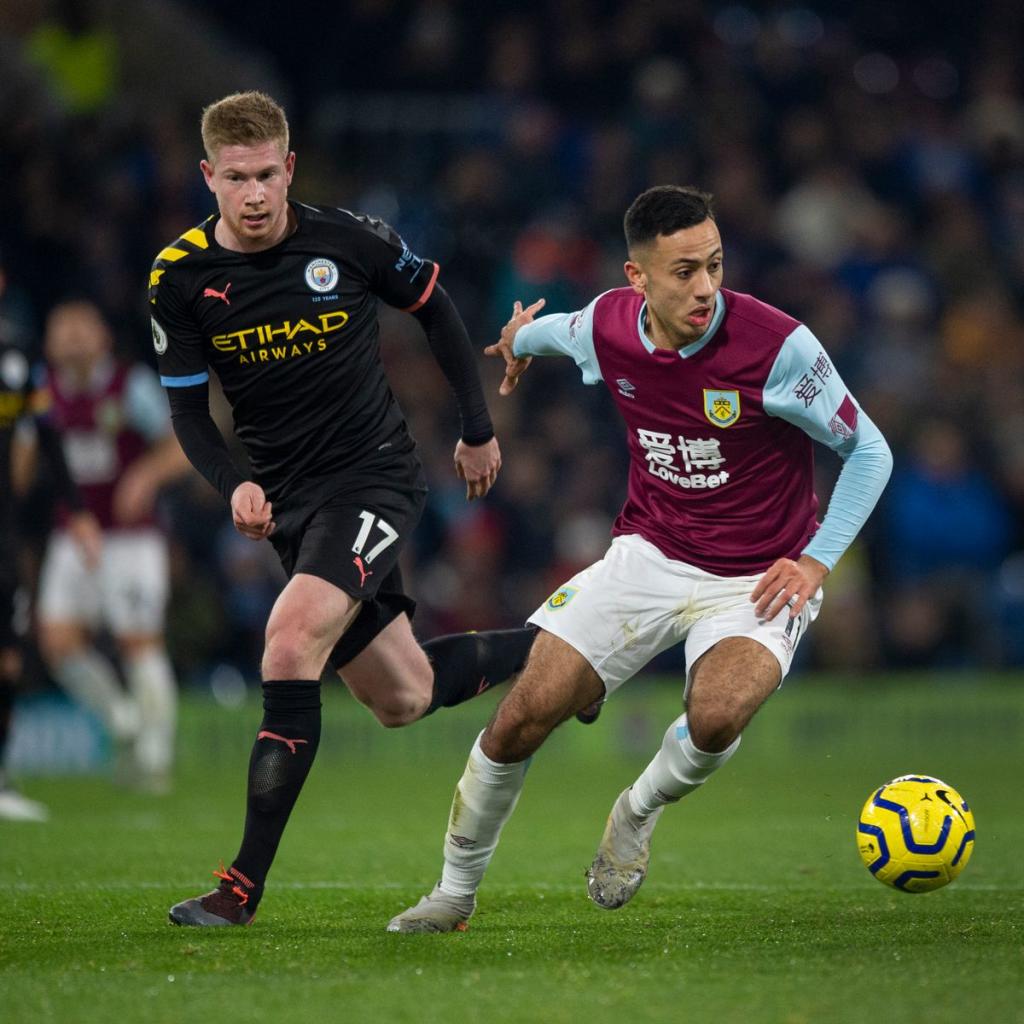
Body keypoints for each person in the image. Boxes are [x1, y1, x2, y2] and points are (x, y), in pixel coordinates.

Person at [387, 185, 893, 933]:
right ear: (638, 278)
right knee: (522, 717)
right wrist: (516, 342)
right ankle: (453, 894)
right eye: (684, 271)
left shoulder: (777, 347)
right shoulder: (609, 326)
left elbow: (869, 450)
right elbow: (557, 331)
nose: (705, 288)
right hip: (648, 554)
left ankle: (637, 809)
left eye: (715, 266)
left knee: (717, 716)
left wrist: (817, 562)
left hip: (758, 574)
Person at [154, 92, 536, 927]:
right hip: (291, 505)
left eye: (266, 176)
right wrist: (234, 485)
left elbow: (435, 309)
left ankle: (239, 890)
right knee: (402, 697)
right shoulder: (178, 279)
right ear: (208, 178)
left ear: (288, 169)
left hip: (373, 481)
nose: (253, 196)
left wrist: (477, 431)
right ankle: (558, 655)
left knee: (290, 640)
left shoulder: (350, 241)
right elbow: (188, 413)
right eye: (235, 179)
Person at [36, 299, 190, 793]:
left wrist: (145, 474)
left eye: (83, 327)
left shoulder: (131, 386)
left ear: (103, 336)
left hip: (131, 539)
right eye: (64, 328)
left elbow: (181, 446)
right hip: (72, 537)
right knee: (56, 642)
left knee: (138, 640)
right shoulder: (42, 392)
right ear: (49, 342)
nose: (74, 337)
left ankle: (154, 757)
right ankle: (121, 717)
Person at [0, 332, 100, 821]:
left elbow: (47, 436)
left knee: (9, 658)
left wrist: (78, 511)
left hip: (4, 535)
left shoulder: (16, 360)